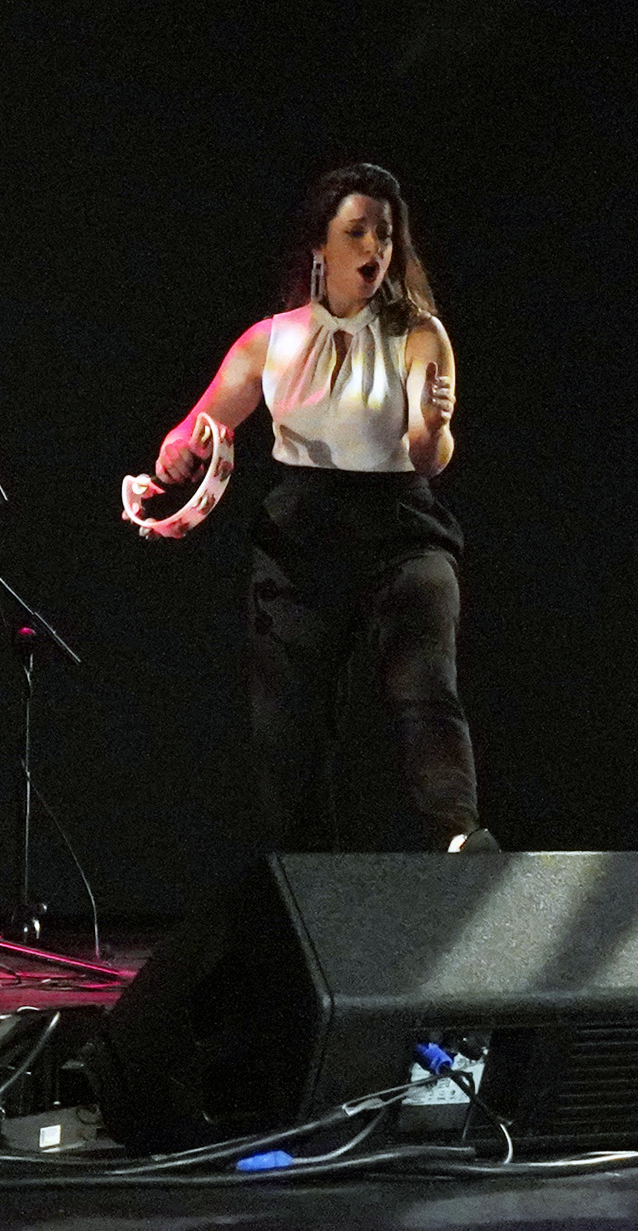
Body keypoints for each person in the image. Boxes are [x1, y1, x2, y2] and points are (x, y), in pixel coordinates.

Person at [154, 163, 490, 851]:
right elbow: (197, 427)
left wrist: (433, 427)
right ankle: (310, 878)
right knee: (288, 723)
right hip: (301, 531)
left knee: (425, 689)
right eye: (356, 231)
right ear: (320, 245)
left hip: (400, 527)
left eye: (384, 234)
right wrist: (176, 455)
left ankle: (459, 844)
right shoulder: (271, 339)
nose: (374, 248)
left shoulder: (419, 333)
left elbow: (430, 456)